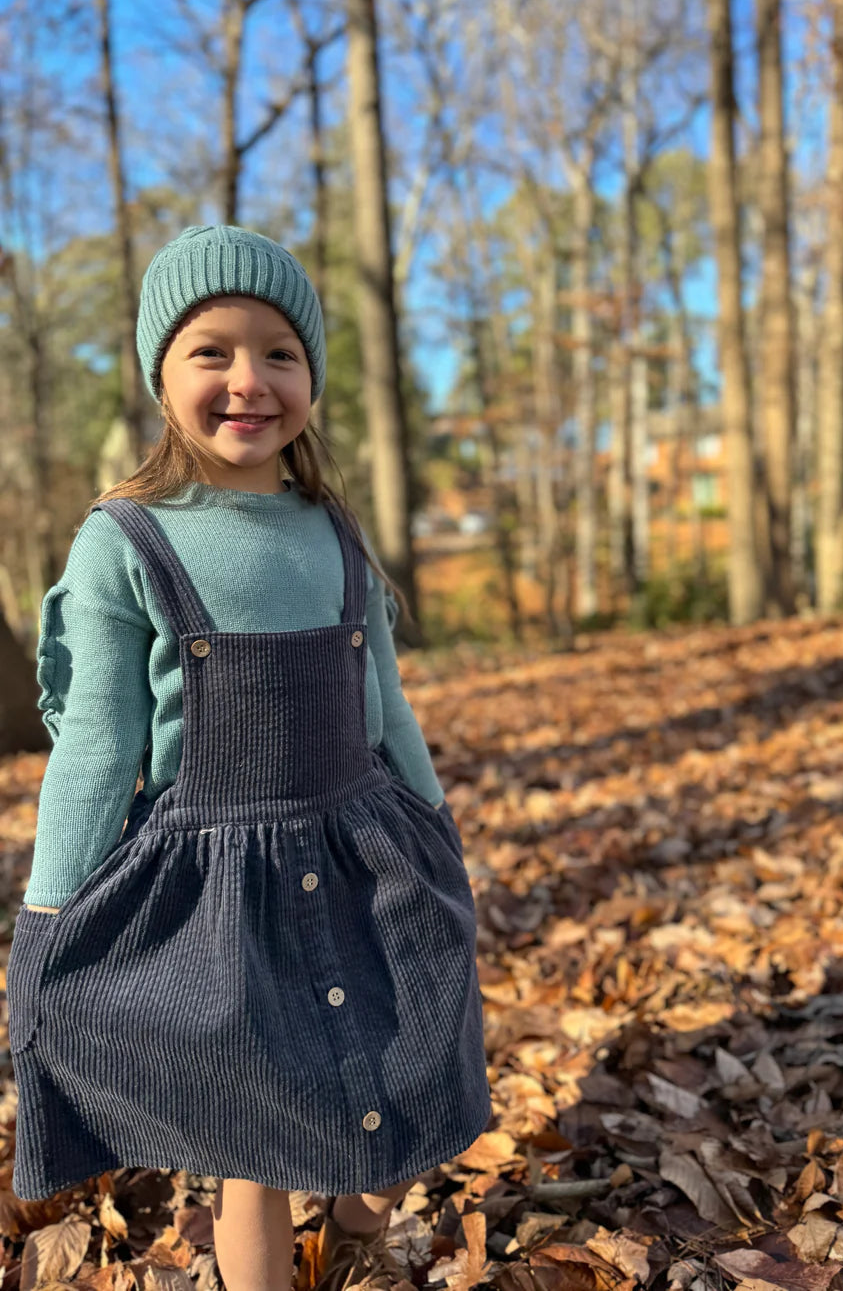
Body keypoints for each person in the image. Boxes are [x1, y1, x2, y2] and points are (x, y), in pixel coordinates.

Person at [7, 224, 492, 1291]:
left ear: (310, 371)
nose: (248, 380)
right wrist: (48, 913)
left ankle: (361, 1237)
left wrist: (439, 829)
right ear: (159, 375)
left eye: (278, 351)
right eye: (211, 351)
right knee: (253, 1138)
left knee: (412, 1067)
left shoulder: (332, 528)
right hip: (216, 881)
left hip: (366, 846)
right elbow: (98, 742)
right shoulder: (127, 539)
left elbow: (388, 704)